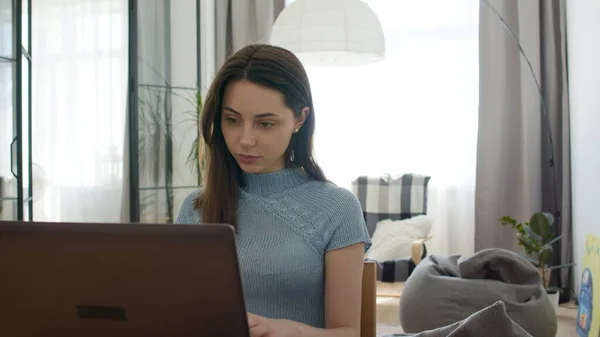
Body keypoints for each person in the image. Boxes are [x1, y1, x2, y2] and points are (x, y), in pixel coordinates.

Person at [175, 44, 371, 337]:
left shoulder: (337, 207)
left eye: (265, 124)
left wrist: (283, 330)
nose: (245, 140)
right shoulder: (195, 208)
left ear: (300, 119)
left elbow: (348, 333)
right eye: (232, 120)